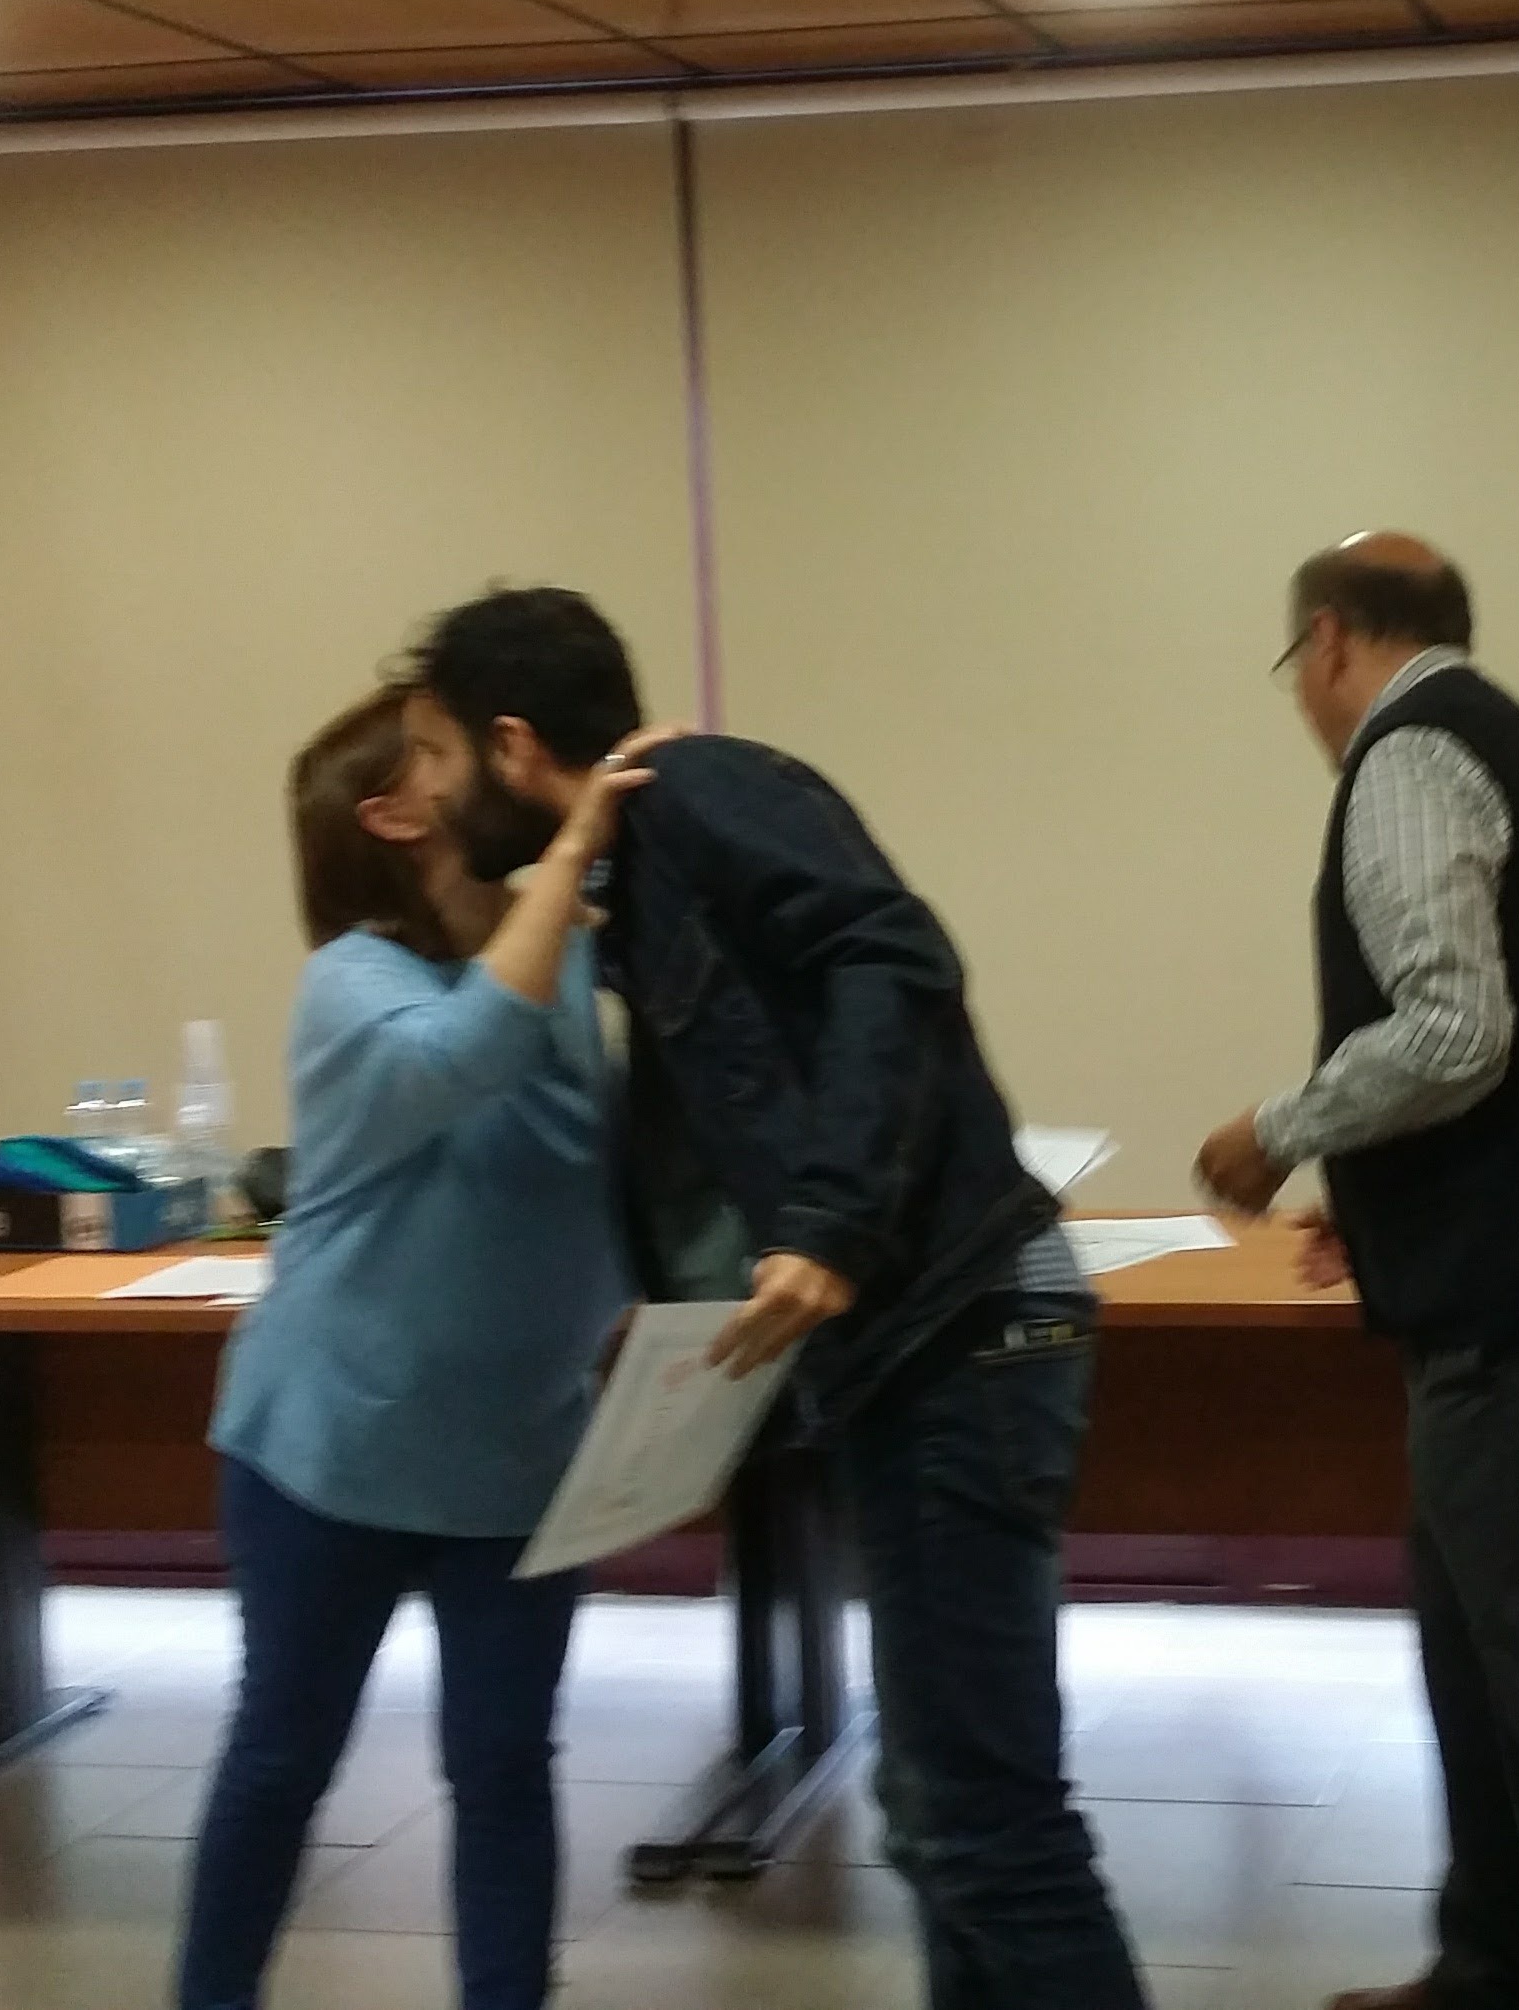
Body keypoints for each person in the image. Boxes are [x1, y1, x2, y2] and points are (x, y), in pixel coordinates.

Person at [412, 586, 1151, 2010]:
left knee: (985, 1822)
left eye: (438, 757)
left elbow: (893, 955)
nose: (432, 796)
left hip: (963, 1329)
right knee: (942, 1814)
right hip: (925, 1341)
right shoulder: (633, 882)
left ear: (511, 745)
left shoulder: (701, 789)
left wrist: (832, 1222)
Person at [1195, 533, 1519, 2010]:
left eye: (1296, 668)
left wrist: (1279, 1134)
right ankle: (1500, 1963)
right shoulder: (1500, 741)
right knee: (1475, 1636)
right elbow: (1510, 1038)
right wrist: (1376, 1206)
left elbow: (1452, 1029)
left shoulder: (1410, 756)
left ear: (1327, 641)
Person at [174, 680, 658, 2010]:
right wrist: (570, 856)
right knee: (284, 1757)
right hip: (329, 1449)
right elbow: (463, 1053)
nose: (489, 766)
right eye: (445, 754)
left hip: (517, 1458)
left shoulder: (568, 953)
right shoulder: (351, 981)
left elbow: (598, 1155)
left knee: (504, 1765)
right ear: (392, 814)